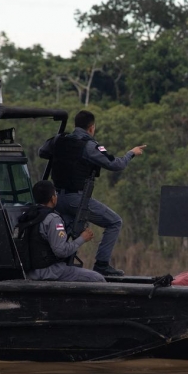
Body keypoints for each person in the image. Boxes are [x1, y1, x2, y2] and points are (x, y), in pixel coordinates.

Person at [39, 110, 146, 276]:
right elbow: (116, 165)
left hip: (57, 199)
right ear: (91, 128)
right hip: (76, 200)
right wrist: (131, 153)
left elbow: (42, 152)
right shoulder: (89, 146)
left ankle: (51, 263)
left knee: (65, 232)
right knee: (115, 222)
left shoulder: (59, 139)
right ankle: (102, 265)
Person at [16, 180, 105, 282]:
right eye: (55, 194)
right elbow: (61, 251)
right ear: (53, 199)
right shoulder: (53, 219)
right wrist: (82, 238)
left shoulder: (27, 215)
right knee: (98, 279)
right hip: (51, 272)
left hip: (31, 272)